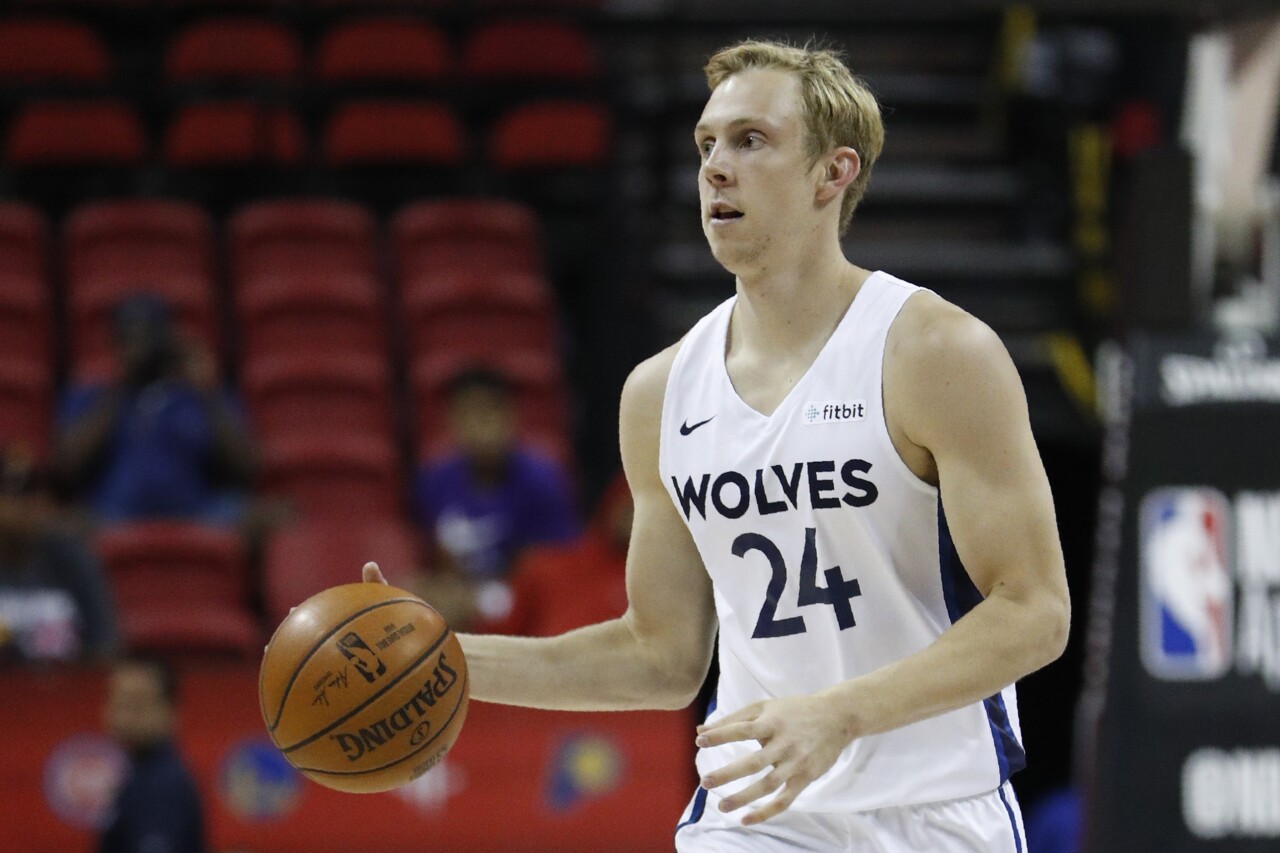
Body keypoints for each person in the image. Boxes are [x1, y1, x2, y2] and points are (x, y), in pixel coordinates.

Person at [367, 39, 1070, 851]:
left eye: (751, 140)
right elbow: (660, 655)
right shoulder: (660, 392)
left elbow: (1035, 612)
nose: (715, 168)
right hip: (754, 816)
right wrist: (447, 662)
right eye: (707, 144)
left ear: (832, 174)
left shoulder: (937, 353)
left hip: (936, 809)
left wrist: (838, 714)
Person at [54, 294, 256, 525]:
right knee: (64, 524)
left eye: (147, 335)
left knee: (271, 515)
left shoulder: (201, 394)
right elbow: (66, 467)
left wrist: (207, 391)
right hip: (112, 515)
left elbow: (245, 468)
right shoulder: (90, 395)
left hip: (198, 513)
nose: (137, 347)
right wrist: (122, 386)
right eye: (127, 337)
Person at [411, 366, 579, 629]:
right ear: (452, 422)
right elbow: (435, 561)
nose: (481, 427)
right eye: (468, 414)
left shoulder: (542, 482)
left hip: (522, 596)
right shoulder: (434, 480)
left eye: (489, 412)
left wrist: (483, 599)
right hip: (461, 593)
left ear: (511, 417)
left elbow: (554, 572)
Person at [0, 447, 117, 663]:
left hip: (68, 692)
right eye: (9, 496)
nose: (22, 508)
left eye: (30, 494)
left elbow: (104, 644)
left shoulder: (69, 555)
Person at [485, 472, 631, 637]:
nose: (635, 515)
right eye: (631, 504)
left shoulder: (658, 585)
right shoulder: (544, 568)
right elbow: (500, 632)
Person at [100, 655, 206, 853]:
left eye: (137, 703)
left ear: (170, 710)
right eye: (118, 700)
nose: (123, 714)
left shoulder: (164, 785)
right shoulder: (136, 773)